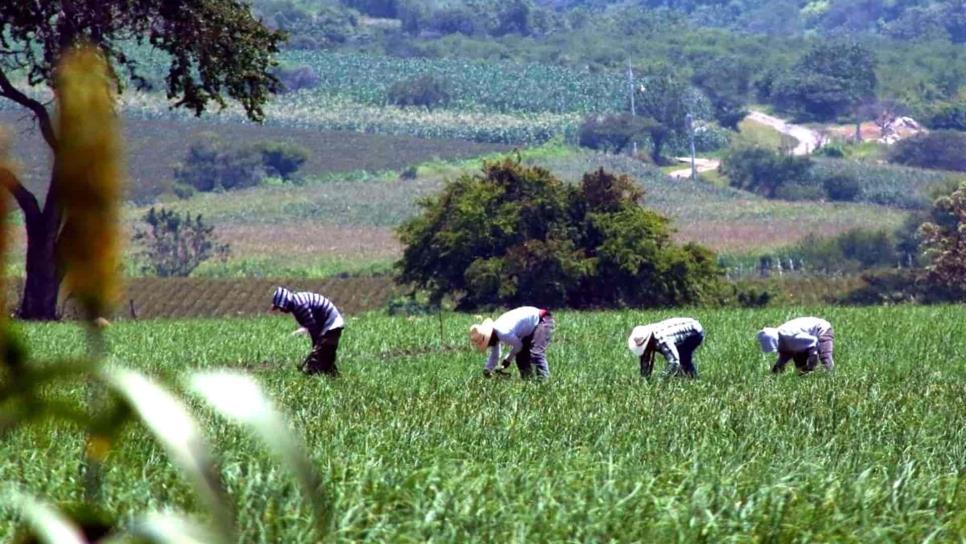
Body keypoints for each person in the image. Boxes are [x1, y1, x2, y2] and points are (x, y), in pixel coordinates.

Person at [271, 287, 345, 376]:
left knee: (319, 357)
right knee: (325, 357)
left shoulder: (300, 305)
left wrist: (316, 345)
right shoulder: (296, 303)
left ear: (285, 303)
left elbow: (313, 326)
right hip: (327, 325)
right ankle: (333, 377)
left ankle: (319, 377)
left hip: (332, 324)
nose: (281, 310)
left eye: (280, 307)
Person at [469, 307, 554, 379]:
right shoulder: (495, 334)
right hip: (529, 329)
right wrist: (488, 369)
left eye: (487, 343)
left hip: (542, 320)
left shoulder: (503, 332)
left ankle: (544, 383)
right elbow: (495, 355)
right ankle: (529, 382)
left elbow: (519, 346)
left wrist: (508, 360)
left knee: (536, 354)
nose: (488, 345)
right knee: (521, 357)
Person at [627, 317, 705, 378]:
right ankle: (690, 377)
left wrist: (661, 380)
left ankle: (691, 377)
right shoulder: (646, 336)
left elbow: (674, 362)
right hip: (683, 330)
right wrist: (645, 378)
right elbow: (645, 360)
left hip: (694, 331)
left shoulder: (662, 339)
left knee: (683, 358)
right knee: (682, 361)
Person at [757, 316, 835, 374]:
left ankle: (830, 375)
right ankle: (806, 378)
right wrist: (779, 366)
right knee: (800, 366)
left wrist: (812, 363)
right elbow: (786, 353)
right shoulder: (782, 340)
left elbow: (813, 342)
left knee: (825, 356)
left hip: (821, 329)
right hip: (805, 340)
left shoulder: (790, 336)